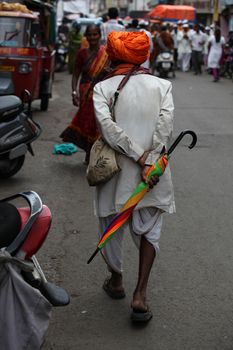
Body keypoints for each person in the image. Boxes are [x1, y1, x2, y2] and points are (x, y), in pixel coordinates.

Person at [92, 31, 175, 322]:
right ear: (142, 55)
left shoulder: (102, 88)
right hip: (152, 173)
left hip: (115, 171)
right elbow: (165, 128)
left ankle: (116, 281)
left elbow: (108, 129)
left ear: (114, 55)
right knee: (150, 229)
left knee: (111, 225)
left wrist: (138, 156)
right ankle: (140, 294)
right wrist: (150, 160)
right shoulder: (162, 85)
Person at [60, 25, 110, 164]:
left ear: (100, 35)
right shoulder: (82, 53)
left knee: (100, 123)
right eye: (90, 34)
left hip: (102, 91)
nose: (93, 37)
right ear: (86, 36)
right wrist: (74, 91)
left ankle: (96, 153)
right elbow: (76, 74)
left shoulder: (107, 53)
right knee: (88, 123)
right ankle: (89, 153)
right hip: (86, 91)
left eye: (95, 34)